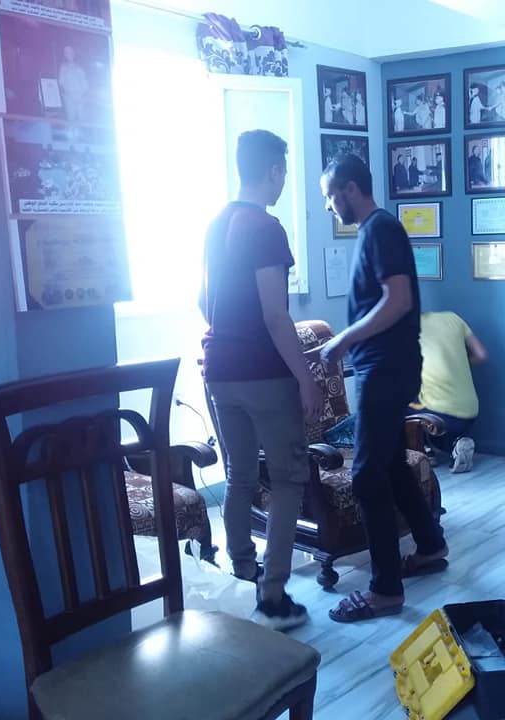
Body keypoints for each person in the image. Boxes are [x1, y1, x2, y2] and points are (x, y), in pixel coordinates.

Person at [200, 130, 323, 630]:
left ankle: (243, 572)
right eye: (283, 173)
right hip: (263, 374)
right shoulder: (266, 228)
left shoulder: (216, 222)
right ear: (273, 171)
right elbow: (276, 315)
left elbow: (204, 300)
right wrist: (306, 378)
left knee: (240, 475)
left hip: (219, 370)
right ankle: (272, 598)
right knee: (289, 479)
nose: (283, 182)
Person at [319, 154, 448, 623]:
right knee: (391, 463)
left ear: (350, 189)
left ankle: (385, 591)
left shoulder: (380, 230)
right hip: (389, 366)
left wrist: (343, 339)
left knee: (366, 475)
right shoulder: (375, 231)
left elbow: (398, 301)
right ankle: (430, 546)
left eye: (331, 196)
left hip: (385, 369)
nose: (329, 206)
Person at [409, 311, 488, 472]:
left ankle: (424, 450)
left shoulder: (405, 330)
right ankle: (455, 444)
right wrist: (458, 365)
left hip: (436, 415)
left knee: (396, 400)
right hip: (469, 411)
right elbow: (481, 355)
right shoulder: (453, 318)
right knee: (441, 434)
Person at [58, 45, 88, 122]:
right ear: (64, 55)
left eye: (70, 52)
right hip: (68, 98)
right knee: (71, 119)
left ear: (74, 53)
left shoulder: (80, 67)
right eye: (66, 52)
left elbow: (85, 84)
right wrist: (66, 96)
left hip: (80, 97)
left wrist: (83, 96)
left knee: (82, 119)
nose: (69, 54)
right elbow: (61, 83)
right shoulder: (63, 67)